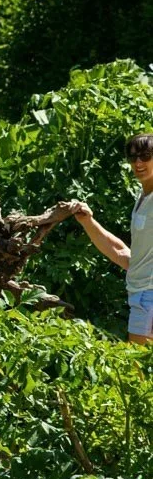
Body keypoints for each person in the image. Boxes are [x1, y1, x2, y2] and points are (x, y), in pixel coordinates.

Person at [71, 132, 153, 344]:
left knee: (138, 370)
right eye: (133, 157)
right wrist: (87, 222)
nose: (138, 162)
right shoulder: (142, 197)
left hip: (149, 296)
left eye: (145, 155)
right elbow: (124, 255)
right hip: (139, 293)